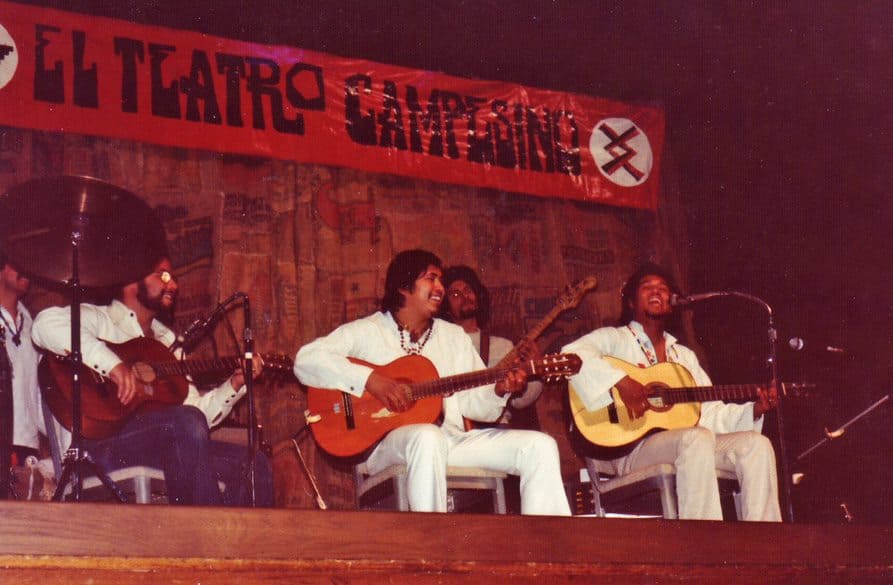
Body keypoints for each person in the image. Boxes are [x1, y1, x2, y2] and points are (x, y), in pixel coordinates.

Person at [294, 249, 570, 515]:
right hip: (386, 445)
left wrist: (499, 390)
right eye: (431, 278)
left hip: (450, 440)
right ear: (404, 287)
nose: (440, 287)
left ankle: (551, 548)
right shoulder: (369, 331)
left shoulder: (453, 336)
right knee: (428, 437)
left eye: (440, 280)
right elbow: (307, 359)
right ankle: (434, 545)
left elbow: (476, 405)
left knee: (540, 446)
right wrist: (372, 380)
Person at [31, 256, 273, 506]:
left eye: (174, 278)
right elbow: (44, 326)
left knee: (254, 462)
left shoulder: (168, 342)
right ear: (132, 281)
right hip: (96, 448)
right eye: (163, 275)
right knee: (185, 422)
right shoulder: (100, 318)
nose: (173, 286)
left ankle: (237, 544)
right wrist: (112, 365)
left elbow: (196, 415)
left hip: (158, 445)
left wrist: (233, 386)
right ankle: (200, 537)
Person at [562, 263, 781, 521]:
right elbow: (571, 354)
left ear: (671, 302)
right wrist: (622, 382)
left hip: (686, 444)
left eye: (663, 288)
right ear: (631, 302)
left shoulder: (684, 356)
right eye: (647, 287)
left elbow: (708, 411)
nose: (657, 291)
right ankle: (702, 538)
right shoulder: (614, 339)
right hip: (628, 447)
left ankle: (766, 544)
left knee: (757, 445)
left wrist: (753, 410)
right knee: (695, 438)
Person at [439, 265, 544, 420]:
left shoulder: (503, 346)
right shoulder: (441, 344)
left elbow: (520, 402)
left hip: (498, 429)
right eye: (455, 294)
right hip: (455, 430)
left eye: (468, 290)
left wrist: (536, 370)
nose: (464, 296)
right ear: (445, 306)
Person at [0, 252, 45, 466]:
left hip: (27, 443)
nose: (27, 270)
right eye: (19, 262)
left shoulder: (32, 326)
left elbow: (38, 391)